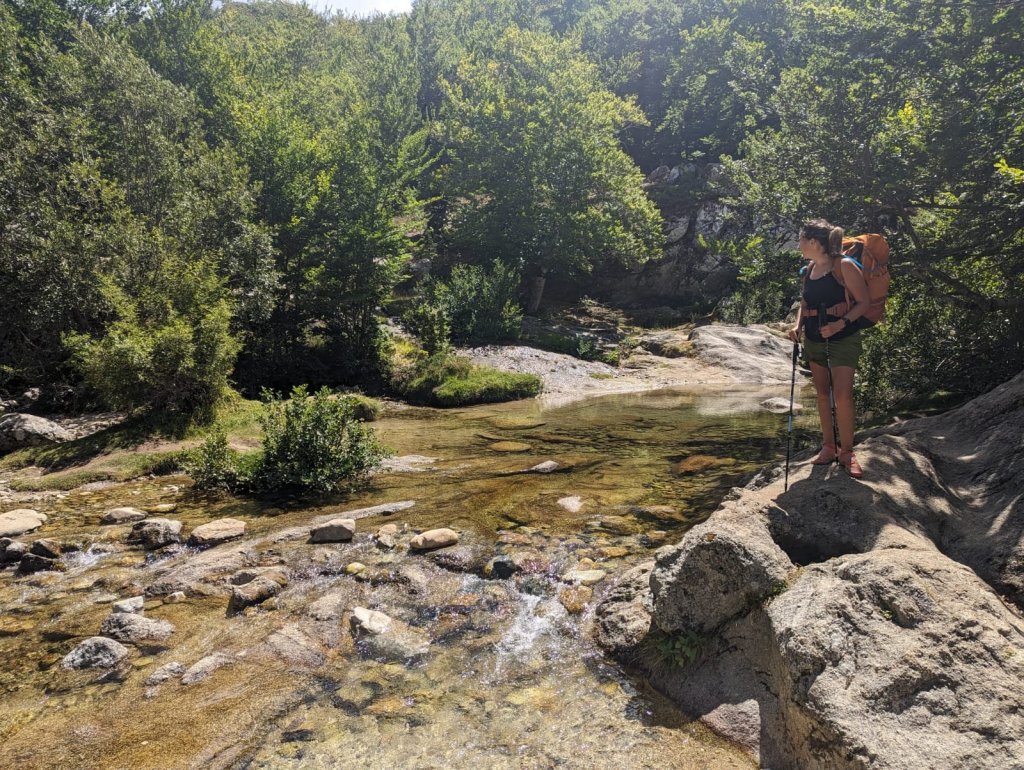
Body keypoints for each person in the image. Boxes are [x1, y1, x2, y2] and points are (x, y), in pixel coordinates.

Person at [787, 218, 871, 478]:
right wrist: (798, 326)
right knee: (823, 394)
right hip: (813, 338)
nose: (799, 245)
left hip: (843, 338)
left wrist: (839, 325)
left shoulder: (844, 266)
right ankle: (828, 447)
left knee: (843, 396)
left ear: (814, 242)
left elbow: (864, 303)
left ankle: (847, 452)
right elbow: (805, 303)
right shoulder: (809, 269)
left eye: (801, 240)